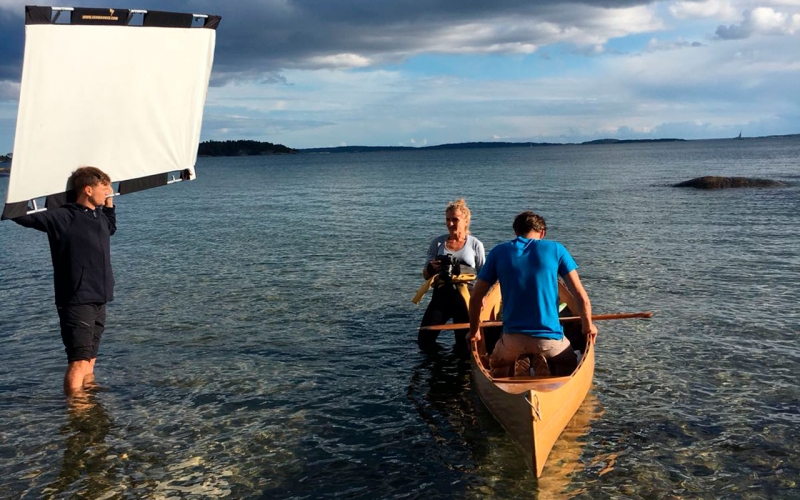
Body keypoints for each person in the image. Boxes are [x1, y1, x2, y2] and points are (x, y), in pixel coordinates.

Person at [13, 166, 116, 395]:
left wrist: (109, 206)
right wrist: (24, 185)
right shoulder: (63, 216)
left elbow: (109, 228)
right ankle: (76, 412)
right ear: (88, 190)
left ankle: (88, 398)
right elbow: (19, 215)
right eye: (105, 187)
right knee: (78, 360)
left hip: (99, 296)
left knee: (90, 358)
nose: (110, 190)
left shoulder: (98, 215)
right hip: (76, 298)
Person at [467, 211, 597, 377]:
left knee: (495, 365)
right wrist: (587, 326)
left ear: (516, 232)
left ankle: (513, 369)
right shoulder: (557, 249)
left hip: (512, 342)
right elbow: (580, 296)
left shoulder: (499, 252)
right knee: (569, 363)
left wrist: (474, 331)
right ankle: (548, 368)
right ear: (542, 233)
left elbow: (476, 298)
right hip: (550, 343)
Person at [418, 198, 485, 351]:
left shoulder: (475, 244)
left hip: (464, 297)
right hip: (441, 296)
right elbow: (425, 275)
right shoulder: (438, 243)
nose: (450, 224)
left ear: (466, 220)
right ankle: (439, 368)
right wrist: (431, 268)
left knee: (463, 345)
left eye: (455, 219)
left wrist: (483, 297)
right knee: (424, 341)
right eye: (447, 220)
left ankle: (460, 372)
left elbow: (483, 274)